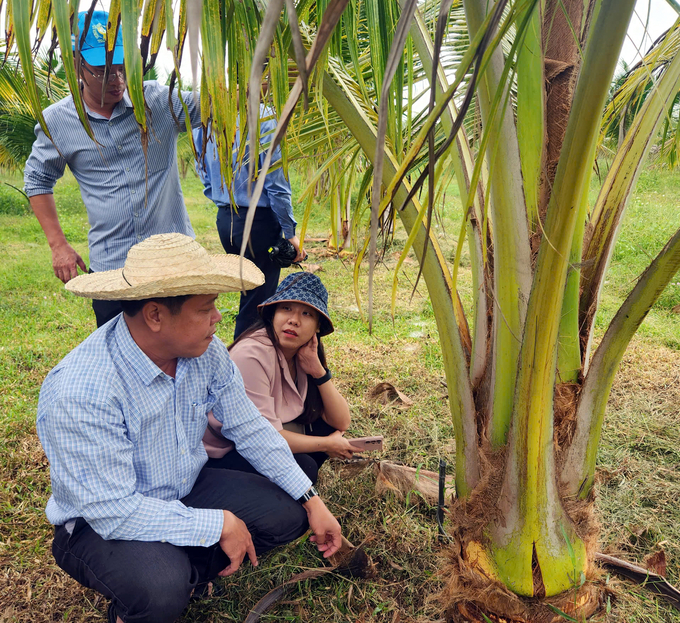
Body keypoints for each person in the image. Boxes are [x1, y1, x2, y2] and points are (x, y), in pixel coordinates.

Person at [37, 233, 342, 623]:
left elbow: (250, 428)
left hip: (184, 487)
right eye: (206, 307)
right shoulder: (83, 389)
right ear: (155, 315)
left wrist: (312, 501)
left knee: (290, 509)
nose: (219, 318)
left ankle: (190, 572)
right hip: (99, 523)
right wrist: (216, 523)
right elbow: (112, 510)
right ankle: (149, 595)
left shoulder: (204, 352)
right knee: (160, 586)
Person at [24, 11, 202, 327]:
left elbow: (221, 106)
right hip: (112, 270)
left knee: (180, 352)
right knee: (117, 361)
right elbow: (37, 179)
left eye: (122, 68)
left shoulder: (158, 102)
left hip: (173, 261)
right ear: (77, 63)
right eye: (104, 71)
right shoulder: (58, 121)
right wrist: (58, 245)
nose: (117, 80)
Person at [203, 272, 358, 485]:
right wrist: (326, 445)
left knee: (322, 428)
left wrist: (319, 373)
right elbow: (261, 437)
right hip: (226, 452)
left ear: (318, 327)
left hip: (264, 438)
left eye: (306, 314)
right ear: (273, 313)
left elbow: (341, 422)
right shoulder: (251, 355)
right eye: (286, 309)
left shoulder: (303, 353)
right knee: (305, 466)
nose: (294, 320)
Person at [193, 104, 305, 340]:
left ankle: (244, 357)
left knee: (250, 294)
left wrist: (224, 202)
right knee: (259, 302)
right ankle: (246, 362)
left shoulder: (206, 114)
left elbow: (203, 172)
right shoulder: (264, 115)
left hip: (226, 219)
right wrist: (290, 233)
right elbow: (276, 183)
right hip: (258, 222)